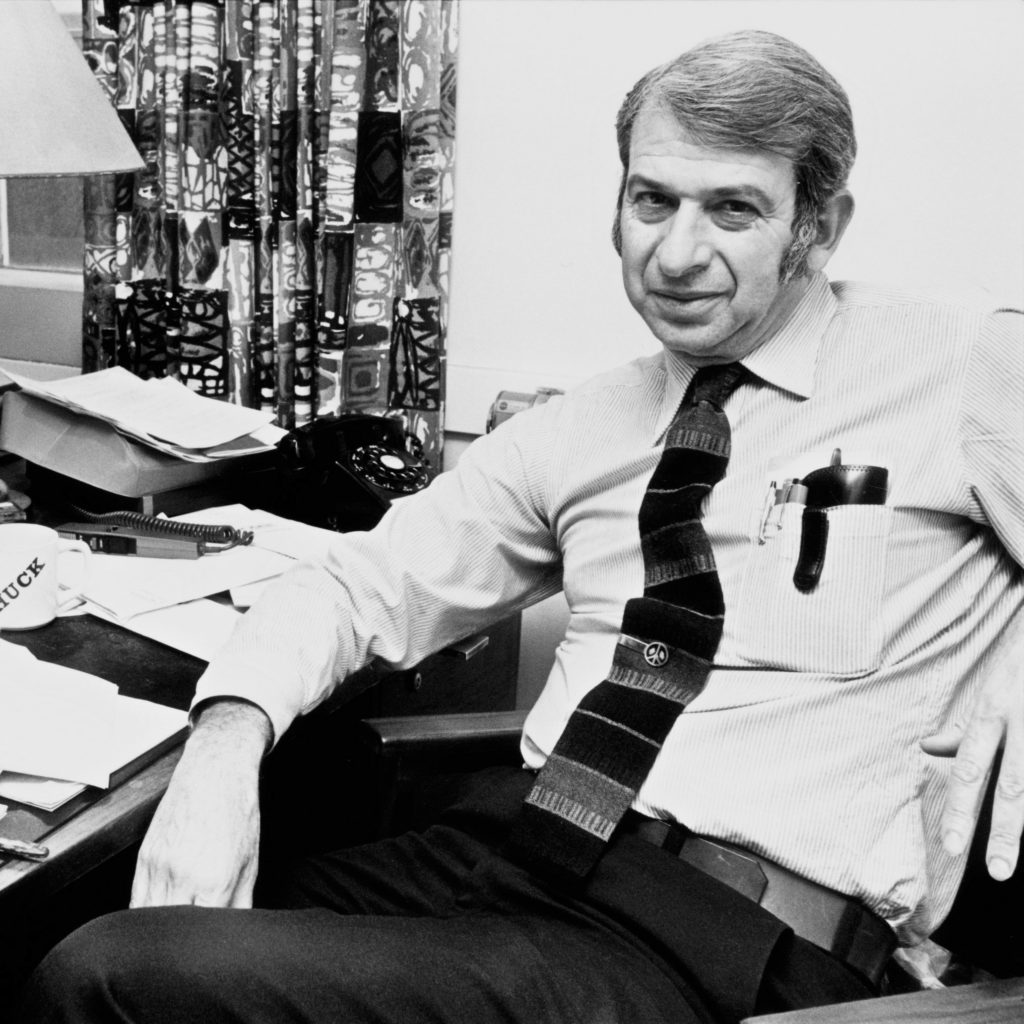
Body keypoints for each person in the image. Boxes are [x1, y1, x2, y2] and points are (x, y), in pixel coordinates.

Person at [18, 28, 1024, 1024]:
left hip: (714, 940)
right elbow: (358, 581)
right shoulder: (578, 425)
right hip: (509, 853)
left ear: (819, 223)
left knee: (109, 977)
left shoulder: (957, 366)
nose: (676, 253)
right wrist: (223, 744)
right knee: (74, 914)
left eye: (732, 210)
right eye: (651, 200)